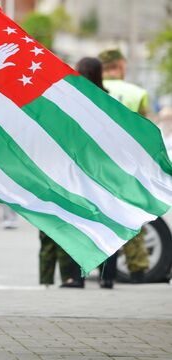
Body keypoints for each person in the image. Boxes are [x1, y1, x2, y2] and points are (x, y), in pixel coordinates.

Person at [99, 49, 150, 283]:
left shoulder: (89, 88)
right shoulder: (137, 93)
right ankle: (137, 267)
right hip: (126, 163)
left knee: (99, 212)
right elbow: (144, 131)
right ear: (120, 65)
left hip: (97, 161)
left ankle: (100, 267)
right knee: (129, 212)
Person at [72, 56, 118, 289]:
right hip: (105, 170)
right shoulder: (109, 101)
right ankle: (108, 276)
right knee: (107, 220)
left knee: (79, 220)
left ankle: (78, 277)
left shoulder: (75, 100)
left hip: (80, 169)